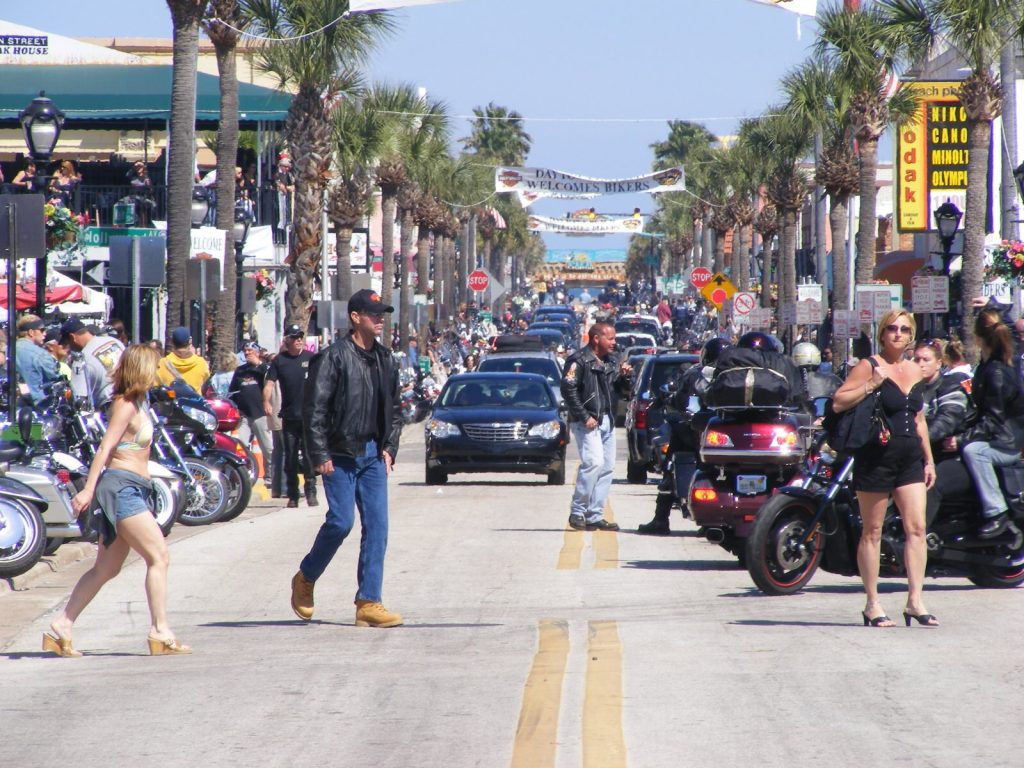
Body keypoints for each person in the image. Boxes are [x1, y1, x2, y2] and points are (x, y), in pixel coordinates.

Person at [47, 345, 191, 656]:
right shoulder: (125, 405)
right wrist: (88, 490)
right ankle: (160, 630)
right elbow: (105, 449)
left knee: (106, 568)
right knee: (159, 556)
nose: (157, 372)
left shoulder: (140, 402)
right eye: (153, 367)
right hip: (121, 488)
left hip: (135, 487)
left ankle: (63, 624)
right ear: (141, 369)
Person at [290, 289, 404, 628]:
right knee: (341, 522)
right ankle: (306, 577)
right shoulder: (334, 357)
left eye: (382, 313)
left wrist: (390, 447)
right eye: (373, 313)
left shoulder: (386, 359)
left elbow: (395, 409)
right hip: (339, 455)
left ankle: (369, 602)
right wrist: (319, 453)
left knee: (378, 528)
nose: (380, 318)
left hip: (372, 455)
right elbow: (314, 410)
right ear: (355, 317)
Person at [832, 309, 937, 628]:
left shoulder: (916, 370)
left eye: (904, 330)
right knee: (872, 531)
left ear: (911, 336)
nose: (897, 334)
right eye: (891, 328)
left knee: (916, 528)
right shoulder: (870, 366)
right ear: (882, 333)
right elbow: (838, 401)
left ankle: (915, 601)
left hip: (909, 459)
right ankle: (872, 603)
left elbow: (919, 420)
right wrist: (871, 386)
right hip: (876, 457)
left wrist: (928, 458)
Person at [560, 321, 633, 531]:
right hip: (588, 422)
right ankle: (577, 511)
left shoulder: (612, 361)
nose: (614, 342)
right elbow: (568, 389)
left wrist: (626, 377)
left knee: (607, 467)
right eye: (610, 338)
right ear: (596, 339)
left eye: (614, 338)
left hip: (607, 421)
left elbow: (622, 392)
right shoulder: (579, 360)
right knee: (593, 462)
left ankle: (595, 515)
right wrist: (584, 416)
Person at [959, 310, 1024, 539]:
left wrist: (959, 438)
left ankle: (997, 512)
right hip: (1005, 438)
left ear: (977, 337)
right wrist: (990, 305)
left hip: (1007, 444)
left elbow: (993, 421)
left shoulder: (996, 371)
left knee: (974, 451)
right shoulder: (996, 362)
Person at [916, 339, 973, 527]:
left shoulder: (950, 385)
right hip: (924, 456)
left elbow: (947, 420)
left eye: (926, 359)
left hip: (955, 457)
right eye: (916, 360)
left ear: (939, 363)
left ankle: (917, 538)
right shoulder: (912, 390)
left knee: (930, 484)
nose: (920, 364)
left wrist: (917, 440)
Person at [264, 324, 317, 508]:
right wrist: (266, 402)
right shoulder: (280, 361)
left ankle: (311, 491)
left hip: (308, 416)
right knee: (291, 457)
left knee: (309, 457)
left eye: (301, 336)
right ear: (287, 340)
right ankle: (293, 494)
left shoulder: (311, 358)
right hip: (289, 416)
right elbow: (269, 384)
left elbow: (323, 382)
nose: (299, 340)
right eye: (295, 337)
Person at [229, 343, 273, 485]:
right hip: (244, 415)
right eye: (245, 350)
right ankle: (242, 475)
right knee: (240, 446)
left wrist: (259, 365)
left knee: (268, 448)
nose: (247, 353)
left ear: (258, 352)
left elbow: (270, 381)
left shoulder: (265, 368)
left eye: (250, 350)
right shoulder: (240, 371)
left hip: (260, 413)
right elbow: (232, 391)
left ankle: (270, 476)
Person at [62, 319, 125, 408]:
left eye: (67, 343)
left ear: (72, 337)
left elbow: (79, 399)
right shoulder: (114, 341)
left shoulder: (81, 360)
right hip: (137, 396)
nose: (68, 348)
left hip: (112, 405)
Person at [15, 315, 61, 404]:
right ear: (31, 332)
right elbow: (57, 382)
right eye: (42, 330)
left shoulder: (8, 350)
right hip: (37, 408)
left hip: (11, 408)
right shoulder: (40, 354)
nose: (45, 333)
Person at [157, 327, 211, 393]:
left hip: (172, 402)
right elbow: (205, 378)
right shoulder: (201, 363)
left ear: (172, 342)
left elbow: (155, 386)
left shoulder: (162, 363)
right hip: (193, 402)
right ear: (190, 341)